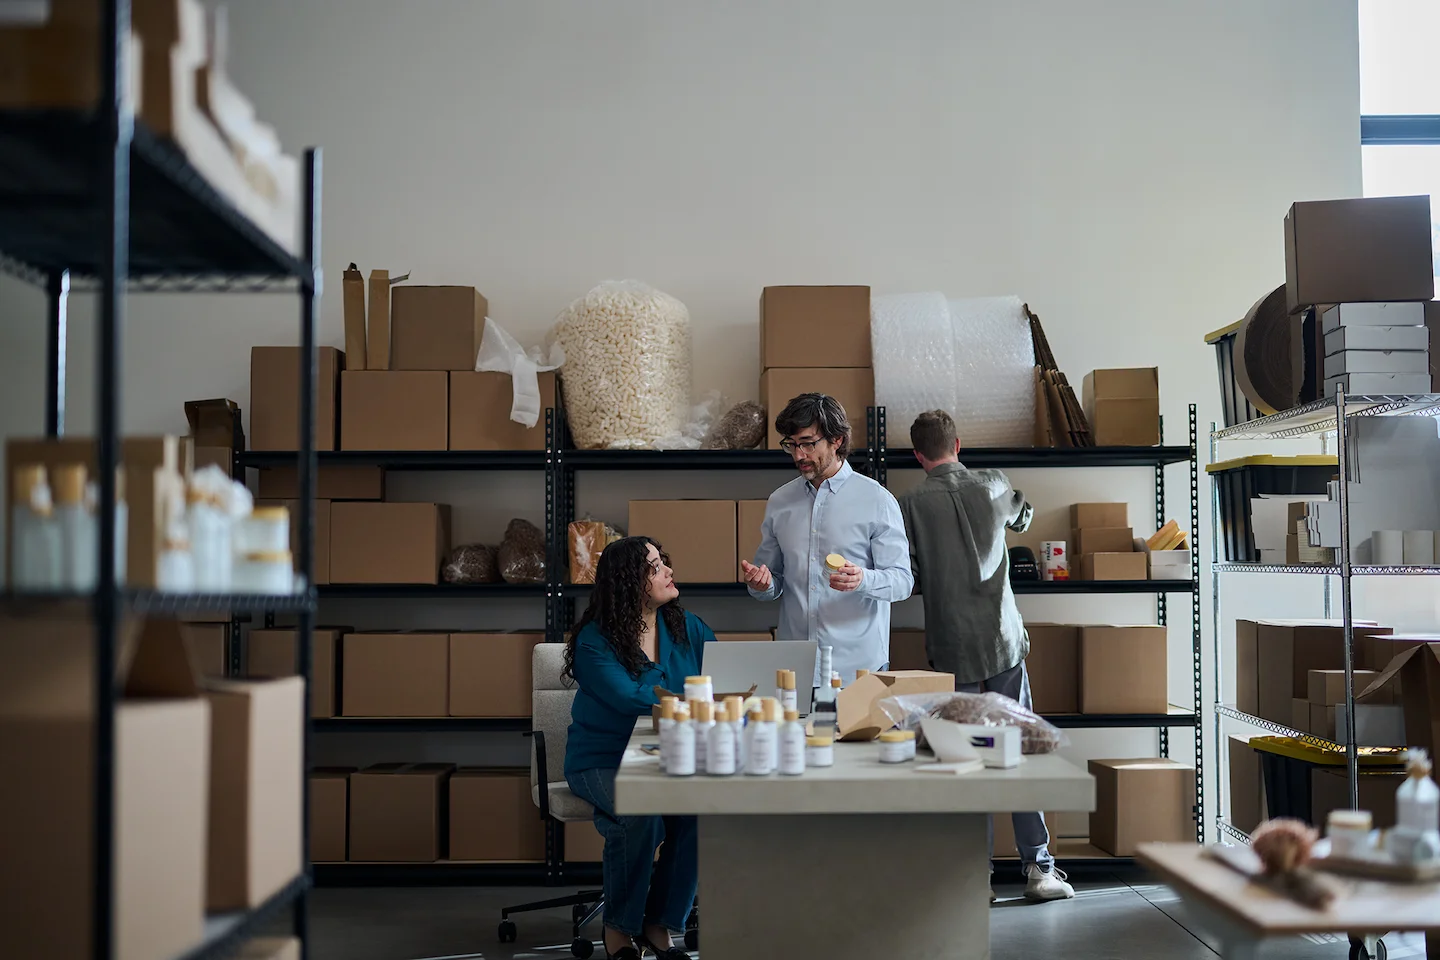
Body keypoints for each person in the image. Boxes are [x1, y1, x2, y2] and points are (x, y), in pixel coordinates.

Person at [896, 409, 1074, 902]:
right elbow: (1025, 516)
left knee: (962, 759)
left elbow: (906, 573)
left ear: (918, 455)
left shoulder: (909, 503)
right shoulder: (992, 482)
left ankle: (974, 878)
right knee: (1017, 750)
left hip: (952, 647)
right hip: (1002, 642)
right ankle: (1038, 870)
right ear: (959, 445)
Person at [564, 536, 715, 960]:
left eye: (664, 562)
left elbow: (720, 678)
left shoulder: (687, 627)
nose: (668, 570)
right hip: (602, 760)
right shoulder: (595, 640)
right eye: (654, 566)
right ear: (630, 581)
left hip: (669, 756)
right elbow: (627, 697)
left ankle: (660, 924)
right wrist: (689, 697)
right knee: (641, 815)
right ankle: (619, 930)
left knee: (699, 814)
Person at [741, 393, 913, 683]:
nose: (798, 455)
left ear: (837, 440)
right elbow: (772, 581)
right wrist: (762, 584)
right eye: (791, 445)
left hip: (858, 669)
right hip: (795, 669)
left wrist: (863, 580)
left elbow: (902, 581)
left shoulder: (877, 500)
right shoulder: (780, 502)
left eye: (808, 443)